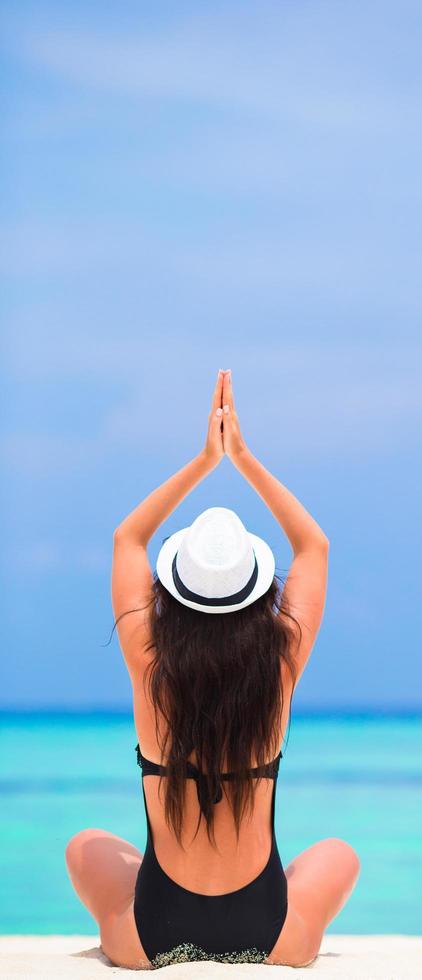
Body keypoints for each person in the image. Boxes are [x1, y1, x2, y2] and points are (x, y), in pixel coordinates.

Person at [64, 368, 360, 969]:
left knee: (85, 847)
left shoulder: (150, 665)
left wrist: (204, 461)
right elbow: (314, 547)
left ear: (172, 591)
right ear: (256, 591)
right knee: (337, 854)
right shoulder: (279, 663)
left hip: (152, 937)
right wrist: (242, 458)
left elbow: (128, 539)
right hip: (270, 934)